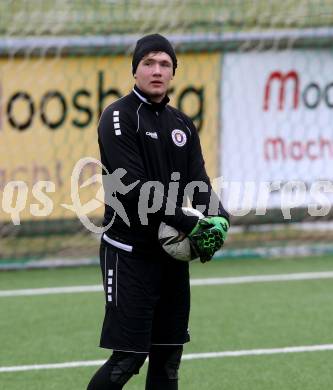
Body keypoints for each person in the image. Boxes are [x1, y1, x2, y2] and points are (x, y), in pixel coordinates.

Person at [87, 33, 230, 390]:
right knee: (127, 360)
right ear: (135, 70)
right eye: (148, 63)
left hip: (171, 255)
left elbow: (197, 185)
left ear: (173, 73)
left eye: (164, 64)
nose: (156, 71)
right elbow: (134, 189)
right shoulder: (118, 117)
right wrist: (189, 223)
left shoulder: (181, 124)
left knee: (168, 361)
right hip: (129, 254)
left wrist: (222, 220)